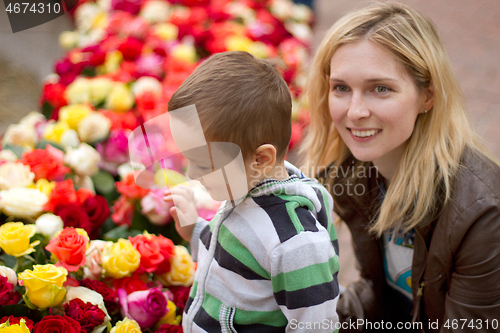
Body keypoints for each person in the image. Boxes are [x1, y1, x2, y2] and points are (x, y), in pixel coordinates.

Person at [301, 2, 500, 332]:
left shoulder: (482, 214)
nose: (355, 111)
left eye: (380, 88)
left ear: (428, 96)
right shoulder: (356, 172)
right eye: (341, 88)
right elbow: (386, 292)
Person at [164, 51, 340, 332]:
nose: (191, 174)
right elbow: (240, 258)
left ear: (260, 159)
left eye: (203, 165)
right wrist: (196, 232)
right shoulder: (250, 186)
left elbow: (316, 324)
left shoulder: (295, 242)